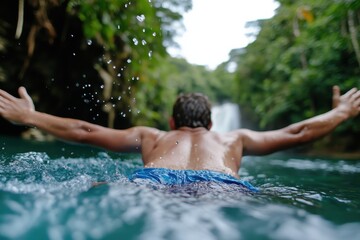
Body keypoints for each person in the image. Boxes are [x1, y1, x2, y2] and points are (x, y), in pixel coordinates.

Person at [0, 86, 359, 191]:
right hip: (222, 186)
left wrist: (30, 115)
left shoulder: (150, 135)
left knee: (99, 183)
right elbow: (297, 133)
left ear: (172, 121)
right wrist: (340, 112)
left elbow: (84, 131)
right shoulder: (234, 138)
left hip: (151, 182)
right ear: (211, 122)